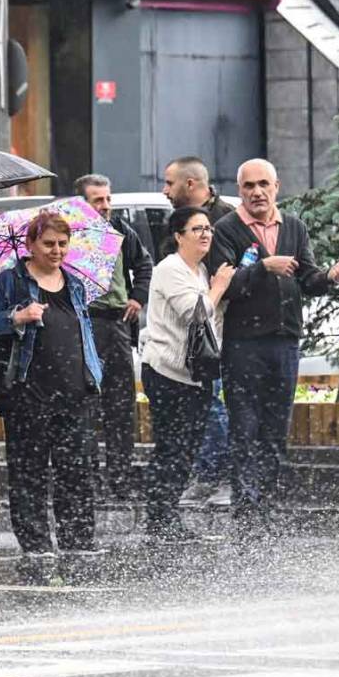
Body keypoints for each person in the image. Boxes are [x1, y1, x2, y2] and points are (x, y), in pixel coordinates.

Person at [208, 158, 339, 539]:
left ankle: (266, 505)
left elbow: (307, 278)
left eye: (263, 185)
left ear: (277, 186)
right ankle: (245, 511)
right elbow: (226, 286)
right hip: (244, 344)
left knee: (274, 430)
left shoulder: (294, 226)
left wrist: (330, 275)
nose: (257, 192)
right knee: (245, 427)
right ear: (240, 190)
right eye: (248, 186)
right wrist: (263, 268)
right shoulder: (226, 229)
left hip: (285, 341)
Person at [0, 212, 103, 563]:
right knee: (29, 472)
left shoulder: (74, 283)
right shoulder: (9, 282)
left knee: (76, 471)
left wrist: (94, 374)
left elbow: (84, 332)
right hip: (27, 394)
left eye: (63, 244)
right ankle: (36, 543)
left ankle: (77, 538)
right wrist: (16, 317)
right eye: (48, 243)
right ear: (30, 243)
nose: (57, 250)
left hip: (75, 393)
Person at [141, 207, 234, 542]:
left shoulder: (199, 269)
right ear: (179, 236)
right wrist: (220, 286)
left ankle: (166, 513)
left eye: (208, 228)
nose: (205, 234)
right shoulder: (170, 269)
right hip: (167, 373)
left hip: (194, 374)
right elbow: (195, 313)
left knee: (186, 448)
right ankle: (159, 518)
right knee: (171, 447)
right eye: (196, 229)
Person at [161, 156, 236, 509]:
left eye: (169, 182)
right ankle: (206, 474)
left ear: (190, 184)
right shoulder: (176, 224)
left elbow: (229, 276)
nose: (165, 190)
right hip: (188, 333)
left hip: (217, 330)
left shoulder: (225, 220)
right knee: (204, 408)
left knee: (214, 406)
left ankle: (217, 476)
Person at [74, 174, 153, 502]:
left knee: (120, 406)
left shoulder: (121, 230)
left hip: (117, 324)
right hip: (83, 325)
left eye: (108, 199)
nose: (105, 206)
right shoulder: (70, 233)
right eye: (98, 200)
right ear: (83, 203)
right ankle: (88, 478)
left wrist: (137, 297)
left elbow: (145, 264)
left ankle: (120, 477)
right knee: (85, 405)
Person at [162, 156, 234, 223]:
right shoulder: (175, 219)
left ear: (190, 184)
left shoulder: (231, 219)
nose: (165, 191)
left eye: (170, 184)